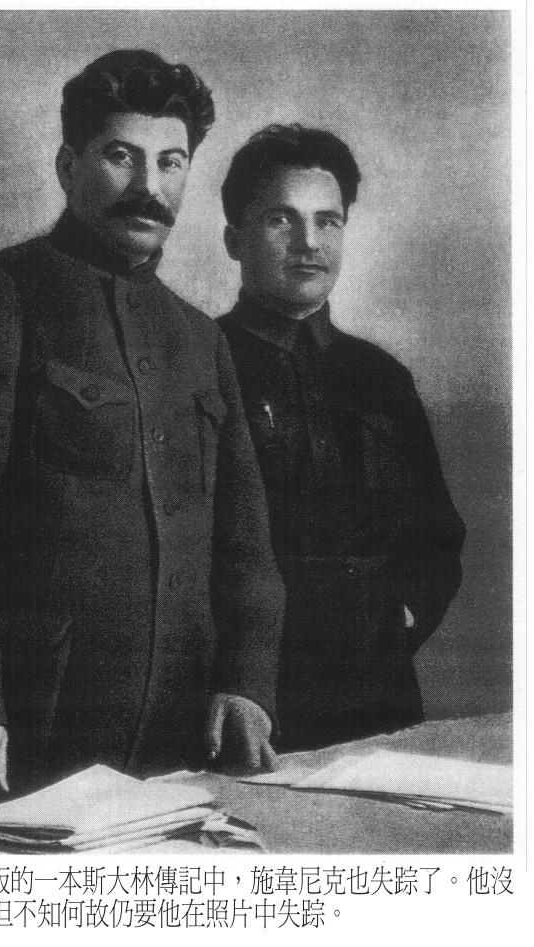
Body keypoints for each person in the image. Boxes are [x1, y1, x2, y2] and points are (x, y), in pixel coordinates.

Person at [0, 50, 284, 827]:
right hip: (11, 741)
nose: (149, 185)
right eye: (121, 156)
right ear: (69, 166)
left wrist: (247, 681)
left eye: (171, 161)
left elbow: (246, 544)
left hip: (174, 746)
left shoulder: (201, 339)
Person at [218, 124, 465, 751]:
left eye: (328, 221)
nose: (309, 243)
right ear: (234, 239)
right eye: (281, 219)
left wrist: (403, 613)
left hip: (377, 685)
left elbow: (436, 534)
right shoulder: (198, 361)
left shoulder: (381, 376)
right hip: (243, 695)